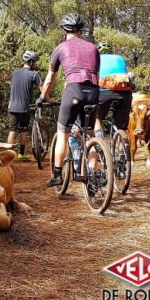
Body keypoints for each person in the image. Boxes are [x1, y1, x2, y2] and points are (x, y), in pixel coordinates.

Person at [36, 13, 100, 186]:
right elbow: (97, 76)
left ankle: (57, 175)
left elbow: (49, 79)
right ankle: (94, 175)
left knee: (63, 133)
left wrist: (42, 97)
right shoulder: (93, 48)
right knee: (90, 134)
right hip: (93, 92)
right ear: (81, 30)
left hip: (73, 90)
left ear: (64, 30)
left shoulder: (60, 48)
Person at [7, 50, 44, 160]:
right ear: (31, 62)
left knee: (12, 130)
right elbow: (43, 90)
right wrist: (47, 100)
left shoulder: (14, 73)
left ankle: (9, 155)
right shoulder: (34, 74)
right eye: (35, 62)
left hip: (12, 107)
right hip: (24, 107)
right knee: (24, 129)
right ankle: (21, 154)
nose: (35, 64)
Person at [94, 41, 132, 141]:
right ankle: (122, 151)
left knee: (95, 116)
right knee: (121, 126)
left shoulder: (96, 59)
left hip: (104, 92)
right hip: (125, 94)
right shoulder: (119, 58)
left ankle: (100, 142)